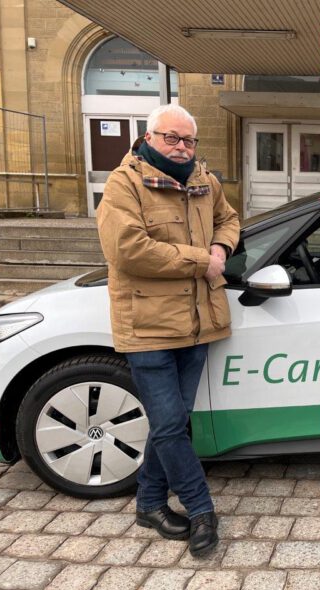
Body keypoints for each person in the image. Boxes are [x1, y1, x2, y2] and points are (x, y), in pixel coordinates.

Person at [96, 104, 240, 556]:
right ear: (149, 137)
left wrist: (220, 245)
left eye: (189, 140)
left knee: (170, 423)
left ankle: (150, 502)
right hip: (149, 327)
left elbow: (229, 219)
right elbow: (129, 250)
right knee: (171, 425)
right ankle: (201, 510)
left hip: (198, 324)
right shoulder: (124, 183)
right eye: (172, 138)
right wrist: (203, 261)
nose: (182, 147)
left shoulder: (204, 179)